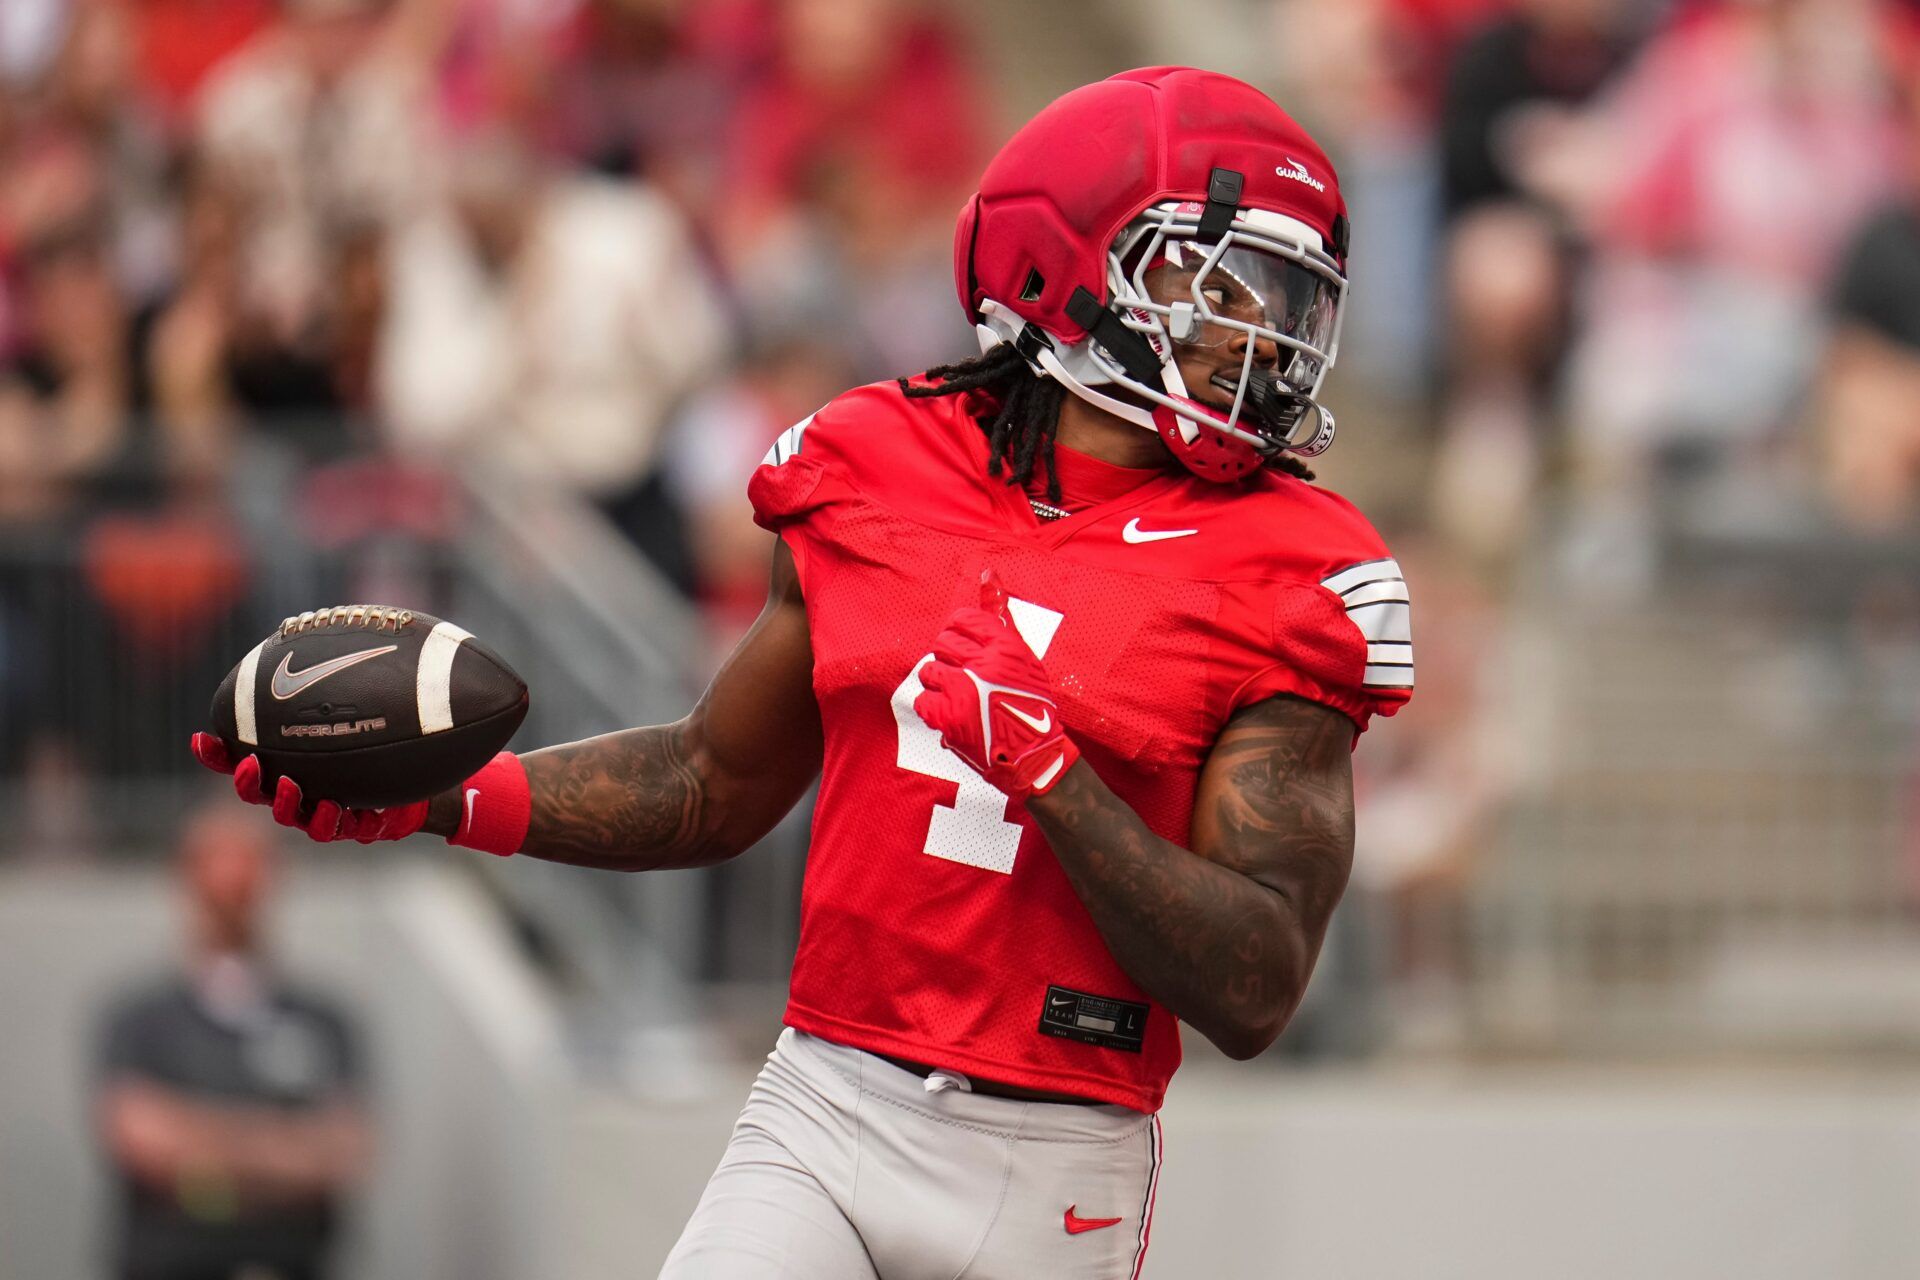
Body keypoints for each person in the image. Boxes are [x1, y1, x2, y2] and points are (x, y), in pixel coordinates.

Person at [194, 68, 1414, 1278]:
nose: (1267, 334)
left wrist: (1055, 776)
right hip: (826, 1102)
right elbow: (709, 776)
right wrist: (442, 797)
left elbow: (1257, 984)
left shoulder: (1297, 568)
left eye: (1291, 295)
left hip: (1062, 1152)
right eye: (1224, 283)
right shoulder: (877, 460)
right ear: (1069, 271)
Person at [94, 803, 371, 1280]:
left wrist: (198, 1151)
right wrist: (283, 1149)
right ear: (184, 877)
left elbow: (343, 1149)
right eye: (215, 862)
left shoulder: (324, 1019)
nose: (232, 882)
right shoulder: (139, 1019)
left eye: (249, 861)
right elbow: (138, 1137)